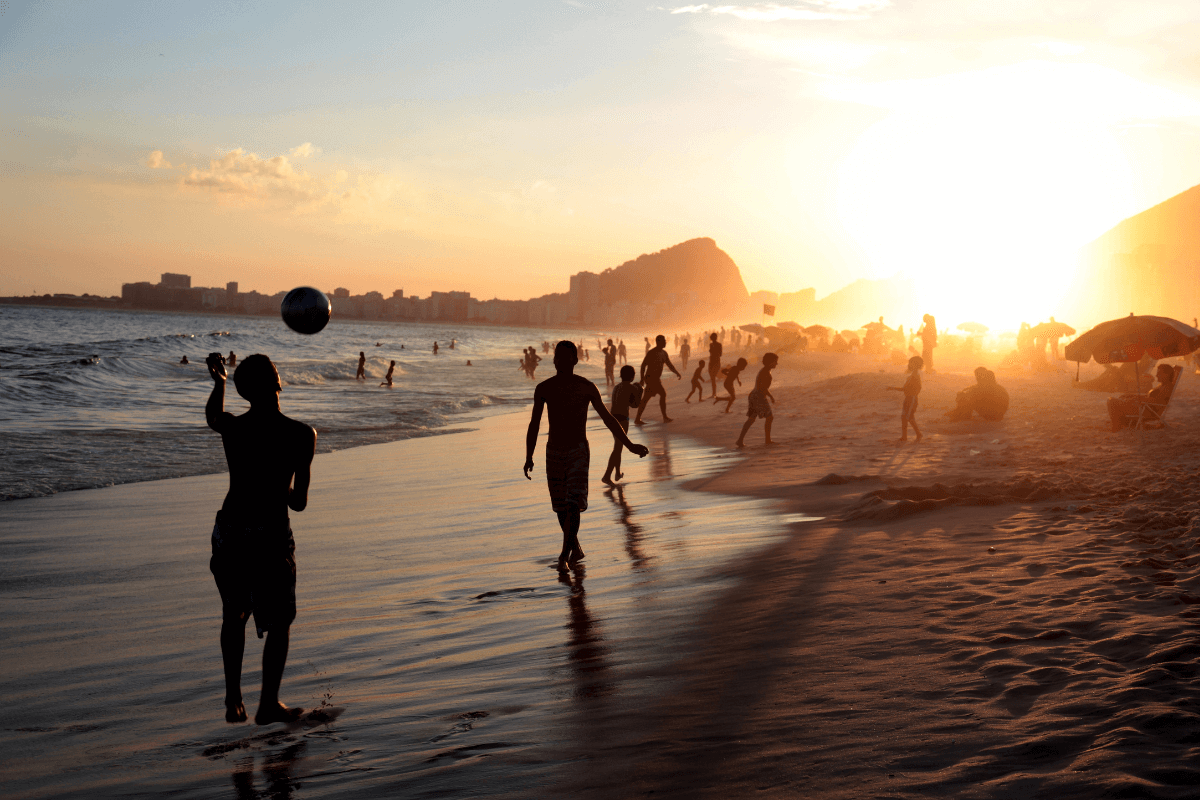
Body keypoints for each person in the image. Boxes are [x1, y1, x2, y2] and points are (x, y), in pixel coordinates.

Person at [204, 353, 316, 726]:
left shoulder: (235, 428)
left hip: (232, 529)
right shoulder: (301, 435)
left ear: (244, 392)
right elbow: (298, 503)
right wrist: (277, 482)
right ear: (278, 382)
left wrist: (218, 382)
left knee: (233, 613)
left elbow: (213, 418)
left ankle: (234, 698)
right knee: (280, 619)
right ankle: (269, 703)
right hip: (269, 534)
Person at [524, 342, 649, 570]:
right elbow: (534, 424)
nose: (561, 360)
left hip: (578, 451)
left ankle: (563, 555)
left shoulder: (586, 387)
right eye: (558, 357)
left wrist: (630, 445)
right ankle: (576, 548)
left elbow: (609, 419)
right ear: (554, 361)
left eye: (566, 357)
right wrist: (528, 456)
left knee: (573, 503)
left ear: (575, 360)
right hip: (553, 451)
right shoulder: (544, 388)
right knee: (560, 506)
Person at [1107, 363, 1176, 431]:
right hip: (1144, 408)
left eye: (1159, 373)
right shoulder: (1163, 385)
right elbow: (1150, 397)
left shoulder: (1167, 387)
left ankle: (1117, 426)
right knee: (1120, 398)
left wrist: (1137, 398)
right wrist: (1133, 396)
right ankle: (1123, 423)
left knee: (1112, 402)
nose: (1156, 375)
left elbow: (1157, 401)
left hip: (1147, 412)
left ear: (1167, 375)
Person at [602, 365, 640, 485]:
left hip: (612, 418)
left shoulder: (617, 387)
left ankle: (617, 472)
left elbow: (623, 401)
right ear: (632, 376)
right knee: (618, 448)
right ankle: (607, 476)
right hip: (623, 419)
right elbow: (635, 405)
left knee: (618, 447)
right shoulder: (631, 387)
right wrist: (641, 391)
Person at [634, 335, 682, 425]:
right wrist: (642, 379)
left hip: (656, 379)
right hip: (651, 379)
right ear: (658, 342)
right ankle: (664, 417)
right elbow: (643, 365)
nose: (665, 343)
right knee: (659, 395)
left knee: (647, 398)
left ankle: (638, 418)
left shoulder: (664, 353)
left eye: (665, 341)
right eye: (664, 341)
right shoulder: (651, 353)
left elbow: (669, 364)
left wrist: (676, 372)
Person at [736, 353, 778, 447]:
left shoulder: (764, 371)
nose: (777, 364)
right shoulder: (766, 373)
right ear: (770, 362)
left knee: (751, 419)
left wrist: (769, 396)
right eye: (775, 361)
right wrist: (770, 396)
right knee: (769, 417)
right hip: (758, 397)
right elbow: (762, 388)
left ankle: (740, 440)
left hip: (753, 396)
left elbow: (761, 387)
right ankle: (768, 440)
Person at [888, 356, 924, 442]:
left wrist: (892, 388)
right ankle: (908, 436)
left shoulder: (915, 376)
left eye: (910, 363)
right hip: (909, 399)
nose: (908, 364)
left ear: (915, 365)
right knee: (906, 417)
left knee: (907, 417)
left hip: (911, 399)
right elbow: (907, 388)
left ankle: (914, 435)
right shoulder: (913, 375)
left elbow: (916, 388)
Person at [707, 332, 723, 398]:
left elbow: (720, 354)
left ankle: (714, 393)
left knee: (713, 377)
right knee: (712, 378)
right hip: (712, 362)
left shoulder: (718, 344)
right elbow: (719, 354)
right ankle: (714, 393)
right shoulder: (711, 344)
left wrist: (714, 352)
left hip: (715, 362)